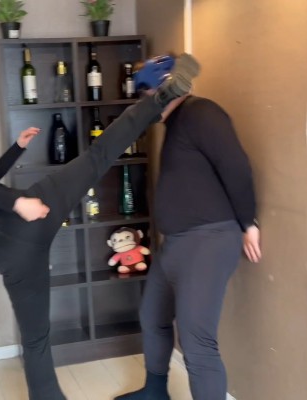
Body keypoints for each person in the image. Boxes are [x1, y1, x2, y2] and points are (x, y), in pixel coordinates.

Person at [0, 53, 201, 400]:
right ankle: (162, 97)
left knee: (35, 337)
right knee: (97, 156)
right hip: (19, 227)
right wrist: (19, 203)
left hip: (4, 255)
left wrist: (17, 148)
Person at [114, 95, 262, 400]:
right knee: (153, 317)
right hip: (175, 244)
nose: (146, 99)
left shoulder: (202, 111)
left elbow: (235, 165)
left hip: (207, 241)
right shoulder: (173, 123)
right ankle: (155, 392)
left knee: (196, 342)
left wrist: (249, 223)